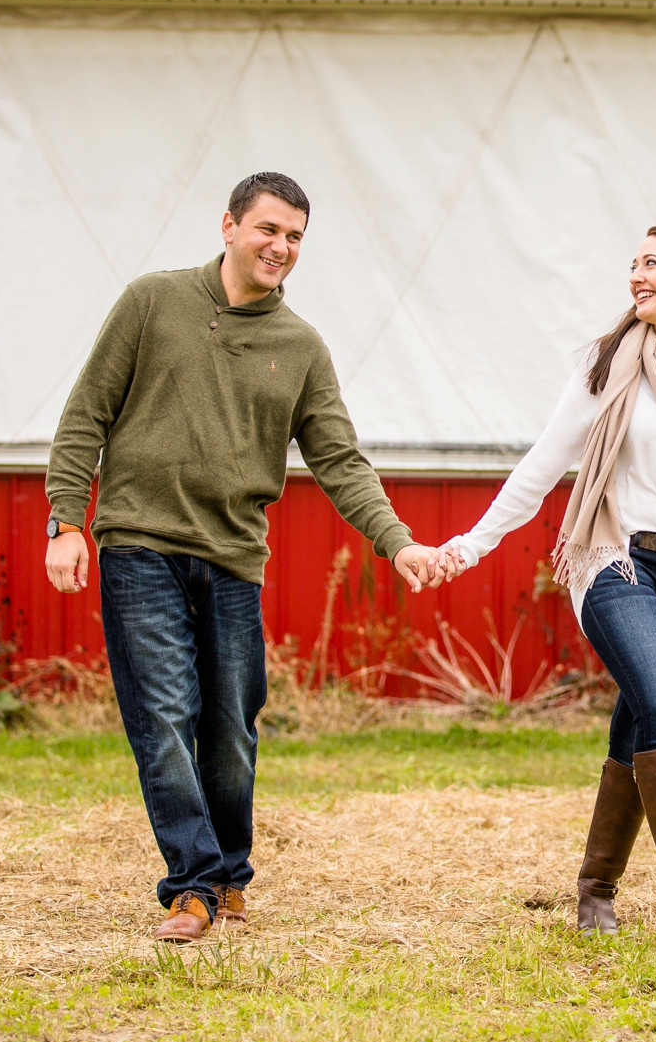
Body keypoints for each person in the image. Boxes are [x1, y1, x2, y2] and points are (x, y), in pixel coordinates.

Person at [44, 171, 447, 943]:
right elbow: (84, 413)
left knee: (229, 725)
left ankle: (229, 874)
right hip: (140, 543)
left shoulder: (299, 347)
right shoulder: (151, 301)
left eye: (295, 236)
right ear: (228, 225)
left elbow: (341, 459)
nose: (281, 247)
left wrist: (397, 542)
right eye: (268, 229)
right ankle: (191, 884)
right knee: (163, 713)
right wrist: (67, 520)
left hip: (232, 556)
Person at [437, 222, 656, 946]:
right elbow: (543, 463)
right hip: (615, 560)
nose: (636, 274)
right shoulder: (607, 364)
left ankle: (595, 888)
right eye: (633, 263)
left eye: (650, 263)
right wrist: (471, 544)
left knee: (642, 718)